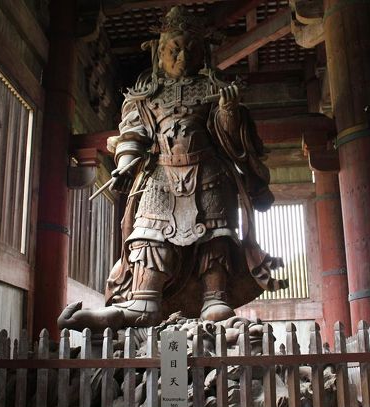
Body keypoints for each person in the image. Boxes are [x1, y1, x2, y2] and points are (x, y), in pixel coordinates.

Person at [58, 6, 284, 332]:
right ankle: (140, 302)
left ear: (203, 53)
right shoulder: (145, 95)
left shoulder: (215, 89)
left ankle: (215, 298)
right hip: (159, 179)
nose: (182, 57)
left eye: (191, 49)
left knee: (215, 235)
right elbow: (132, 134)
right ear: (159, 52)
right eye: (174, 49)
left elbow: (233, 140)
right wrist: (125, 165)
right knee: (148, 236)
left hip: (209, 177)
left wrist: (229, 112)